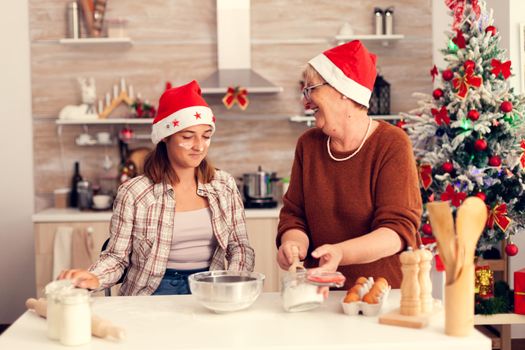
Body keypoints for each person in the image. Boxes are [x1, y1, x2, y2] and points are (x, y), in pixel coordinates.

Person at [59, 80, 255, 295]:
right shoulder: (134, 193)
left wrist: (233, 285)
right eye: (188, 137)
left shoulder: (224, 185)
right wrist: (94, 277)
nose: (199, 146)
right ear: (165, 138)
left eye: (206, 136)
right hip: (151, 291)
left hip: (210, 287)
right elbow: (117, 257)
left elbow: (240, 247)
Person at [277, 40, 422, 289]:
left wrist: (340, 253)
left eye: (311, 89)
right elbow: (294, 216)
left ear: (342, 91)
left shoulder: (391, 144)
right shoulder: (308, 145)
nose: (306, 101)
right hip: (318, 292)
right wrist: (292, 245)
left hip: (379, 292)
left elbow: (397, 232)